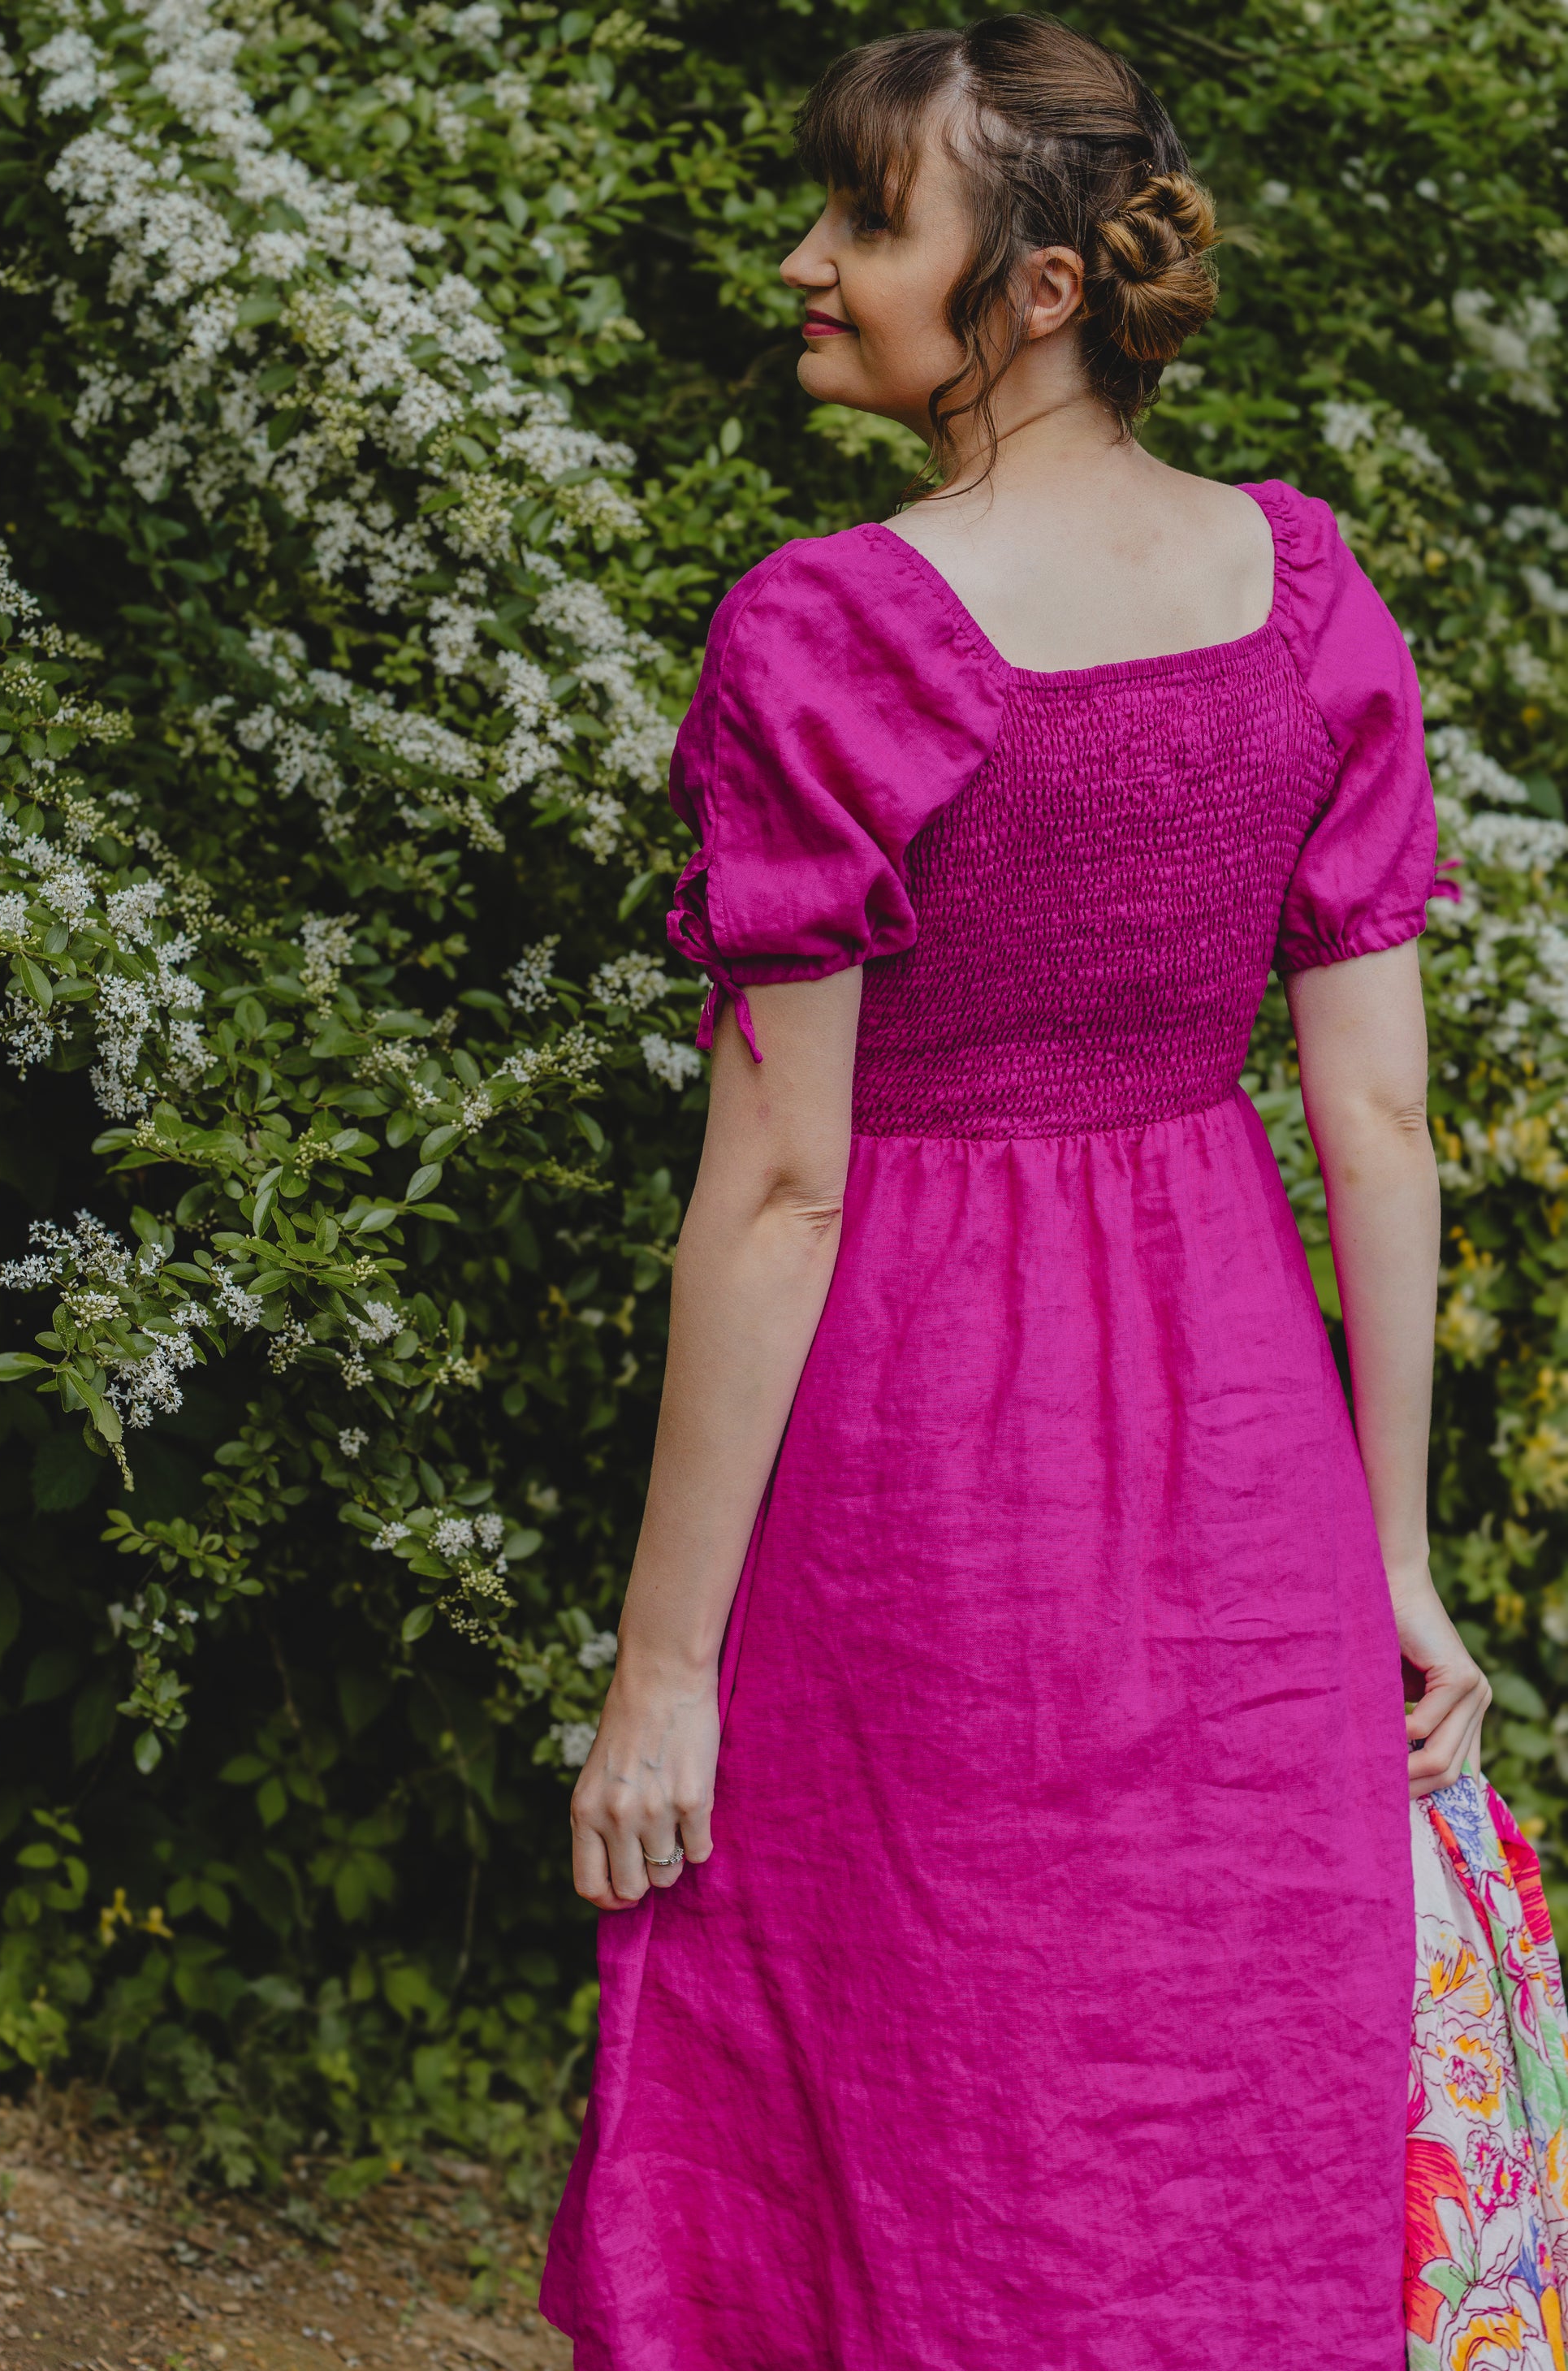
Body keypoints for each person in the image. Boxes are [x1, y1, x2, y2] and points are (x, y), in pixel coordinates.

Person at [538, 15, 1547, 2366]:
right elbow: (1373, 1126)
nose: (805, 261)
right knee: (1207, 2068)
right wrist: (1385, 1550)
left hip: (910, 1443)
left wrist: (662, 1673)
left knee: (897, 2053)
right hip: (1235, 1442)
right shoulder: (1308, 602)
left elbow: (780, 1190)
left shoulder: (834, 634)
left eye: (868, 219)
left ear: (1039, 284)